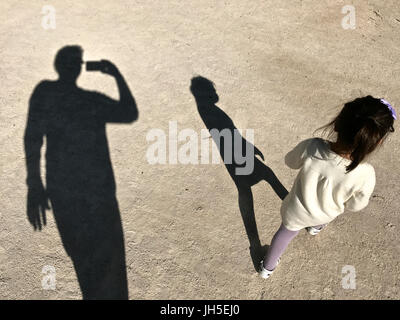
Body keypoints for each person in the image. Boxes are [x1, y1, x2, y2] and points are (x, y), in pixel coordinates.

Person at [24, 45, 138, 298]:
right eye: (74, 61)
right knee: (102, 275)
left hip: (78, 194)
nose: (76, 65)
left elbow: (33, 137)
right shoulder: (83, 99)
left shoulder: (57, 94)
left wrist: (35, 183)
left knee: (95, 273)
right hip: (91, 197)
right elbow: (129, 111)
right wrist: (116, 74)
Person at [260, 96, 396, 279]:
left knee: (285, 234)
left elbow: (290, 161)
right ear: (375, 142)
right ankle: (315, 228)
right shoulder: (366, 174)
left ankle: (267, 268)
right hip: (326, 213)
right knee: (325, 211)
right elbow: (355, 206)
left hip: (296, 211)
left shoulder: (313, 146)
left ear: (337, 123)